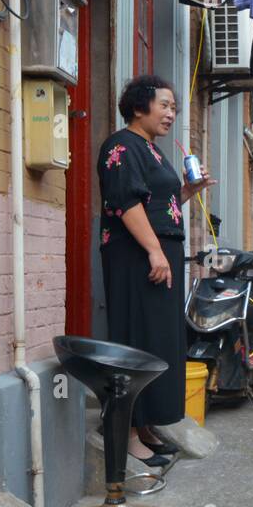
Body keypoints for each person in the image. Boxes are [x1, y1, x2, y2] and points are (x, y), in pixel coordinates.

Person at [97, 75, 216, 465]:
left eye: (174, 108)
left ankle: (146, 424)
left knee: (159, 341)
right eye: (164, 105)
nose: (170, 114)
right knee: (137, 338)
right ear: (138, 107)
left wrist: (187, 192)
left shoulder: (152, 150)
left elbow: (157, 205)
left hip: (159, 256)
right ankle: (127, 432)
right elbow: (126, 204)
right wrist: (154, 252)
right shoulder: (121, 146)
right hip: (137, 258)